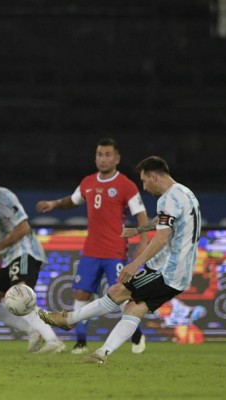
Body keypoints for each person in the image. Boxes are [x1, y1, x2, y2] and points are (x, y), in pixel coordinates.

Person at [39, 156, 201, 363]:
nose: (144, 186)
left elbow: (162, 237)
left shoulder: (167, 198)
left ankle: (69, 319)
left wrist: (135, 264)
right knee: (135, 308)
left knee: (117, 291)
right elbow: (171, 225)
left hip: (167, 270)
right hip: (181, 273)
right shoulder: (186, 193)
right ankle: (102, 354)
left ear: (154, 176)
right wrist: (140, 229)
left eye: (144, 180)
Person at [35, 138, 149, 354]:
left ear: (117, 159)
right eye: (99, 154)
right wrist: (54, 204)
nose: (102, 158)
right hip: (91, 251)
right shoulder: (88, 182)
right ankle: (80, 343)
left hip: (115, 251)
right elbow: (73, 200)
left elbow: (142, 216)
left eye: (107, 154)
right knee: (81, 295)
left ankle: (137, 337)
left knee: (121, 296)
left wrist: (143, 243)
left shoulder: (126, 185)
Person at [0, 155, 66, 353]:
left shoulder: (3, 196)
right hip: (10, 257)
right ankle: (32, 330)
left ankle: (54, 341)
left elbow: (23, 228)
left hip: (26, 250)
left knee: (21, 296)